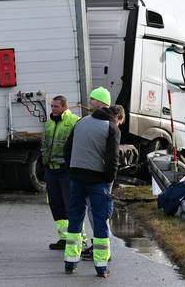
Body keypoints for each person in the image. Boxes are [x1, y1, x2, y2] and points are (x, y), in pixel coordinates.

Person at [63, 104, 125, 278]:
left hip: (76, 177)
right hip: (97, 180)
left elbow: (67, 150)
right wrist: (109, 179)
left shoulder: (81, 122)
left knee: (75, 218)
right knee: (100, 219)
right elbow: (113, 159)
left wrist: (72, 169)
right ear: (118, 117)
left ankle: (70, 262)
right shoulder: (112, 128)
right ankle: (101, 267)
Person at [41, 95, 80, 250]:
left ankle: (78, 239)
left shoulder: (74, 121)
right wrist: (45, 161)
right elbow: (44, 143)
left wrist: (70, 165)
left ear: (65, 106)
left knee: (71, 205)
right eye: (52, 106)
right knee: (56, 205)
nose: (53, 109)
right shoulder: (50, 122)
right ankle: (64, 238)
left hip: (66, 171)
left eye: (56, 106)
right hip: (51, 170)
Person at [82, 86, 112, 261]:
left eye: (93, 99)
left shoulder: (106, 124)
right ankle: (99, 247)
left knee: (97, 213)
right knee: (94, 212)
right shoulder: (98, 121)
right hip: (96, 175)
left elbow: (109, 155)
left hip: (99, 177)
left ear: (100, 102)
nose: (90, 102)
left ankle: (103, 250)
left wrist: (108, 178)